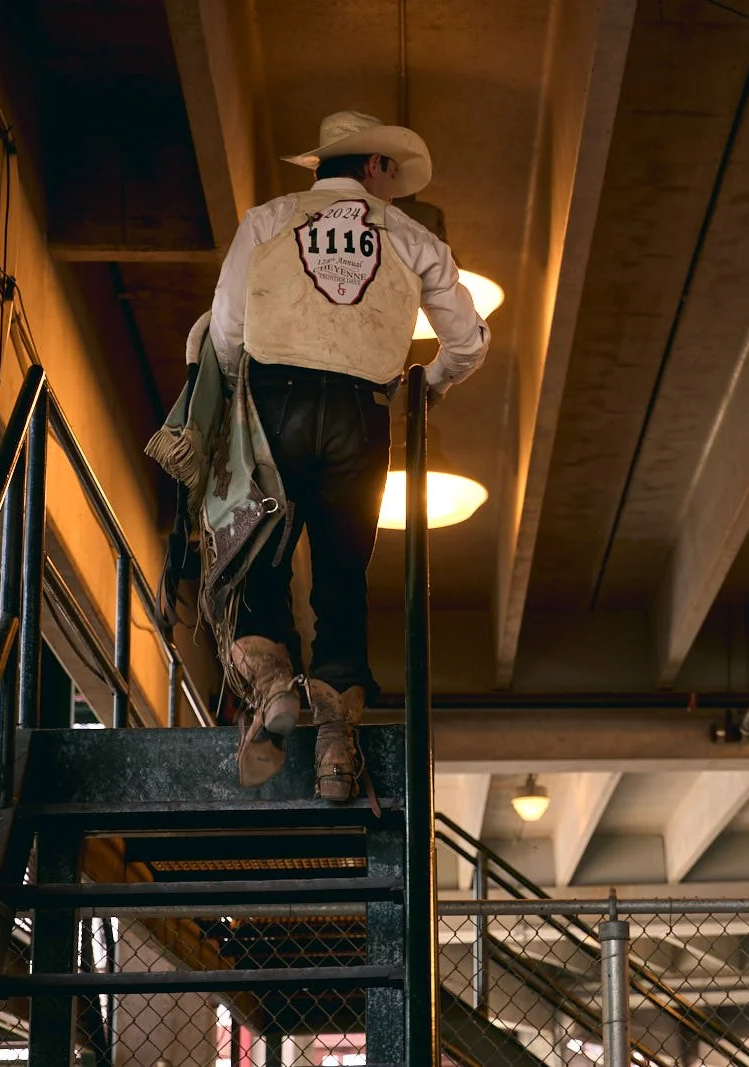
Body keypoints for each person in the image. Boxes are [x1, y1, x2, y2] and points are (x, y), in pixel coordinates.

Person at [208, 110, 488, 797]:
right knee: (340, 578)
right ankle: (336, 746)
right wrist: (433, 390)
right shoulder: (415, 239)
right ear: (375, 167)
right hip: (361, 415)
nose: (397, 188)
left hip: (273, 403)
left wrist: (239, 407)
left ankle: (274, 685)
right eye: (394, 173)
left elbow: (225, 330)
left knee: (256, 558)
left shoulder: (268, 220)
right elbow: (469, 342)